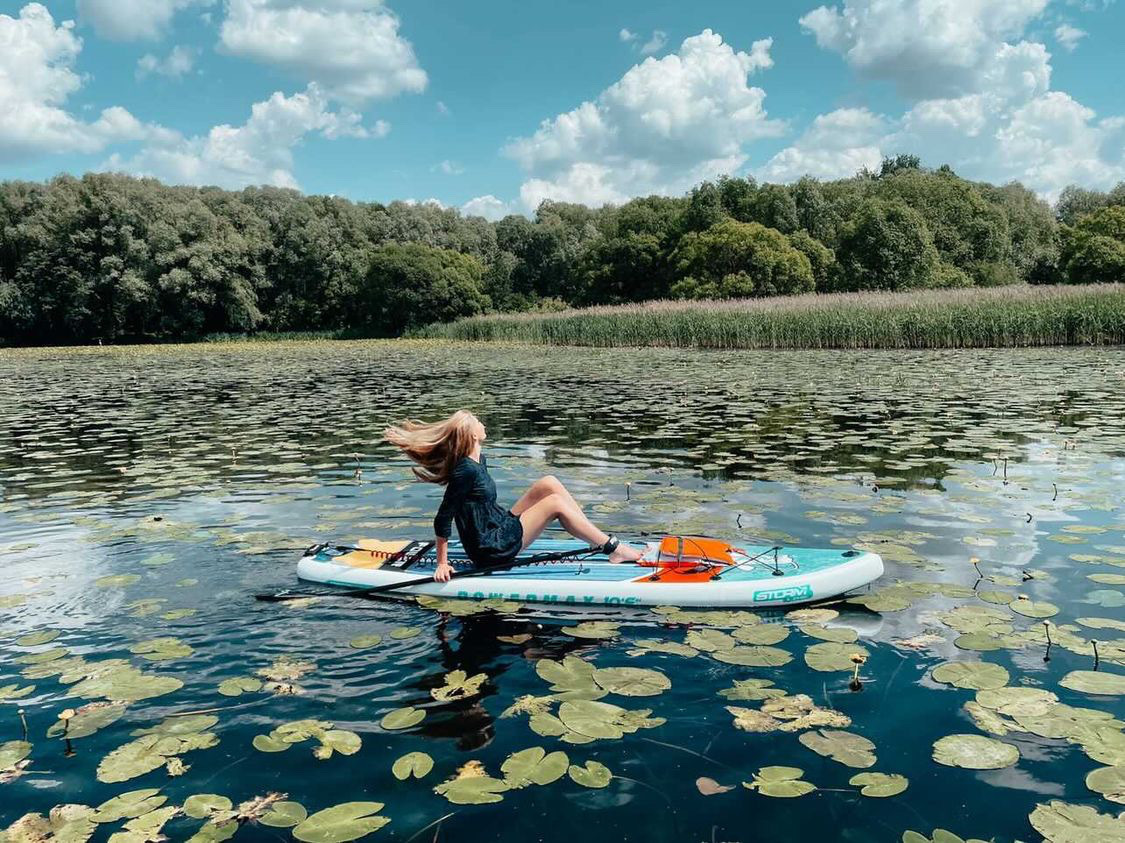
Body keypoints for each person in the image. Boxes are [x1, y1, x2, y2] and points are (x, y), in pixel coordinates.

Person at [384, 410, 642, 582]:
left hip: (495, 526)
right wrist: (442, 563)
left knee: (548, 483)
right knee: (554, 503)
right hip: (490, 548)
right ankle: (612, 548)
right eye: (478, 422)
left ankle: (592, 535)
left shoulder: (477, 460)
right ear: (473, 434)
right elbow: (443, 517)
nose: (483, 424)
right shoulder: (465, 470)